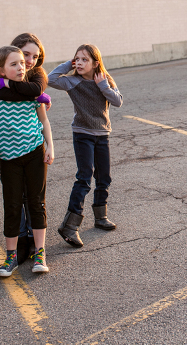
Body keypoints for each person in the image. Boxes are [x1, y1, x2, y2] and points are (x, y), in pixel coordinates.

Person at [0, 46, 55, 276]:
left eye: (22, 64)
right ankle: (11, 256)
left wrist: (50, 147)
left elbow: (44, 121)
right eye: (13, 64)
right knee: (12, 205)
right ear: (1, 70)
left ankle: (40, 252)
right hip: (6, 158)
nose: (20, 67)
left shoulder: (33, 94)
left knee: (36, 202)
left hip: (34, 152)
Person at [48, 44, 123, 248]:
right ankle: (70, 226)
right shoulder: (72, 81)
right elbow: (50, 79)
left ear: (95, 63)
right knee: (84, 177)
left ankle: (101, 216)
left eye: (84, 60)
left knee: (104, 177)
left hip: (102, 134)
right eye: (77, 59)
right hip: (82, 134)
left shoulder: (104, 80)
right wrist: (67, 65)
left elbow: (118, 101)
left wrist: (103, 86)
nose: (79, 63)